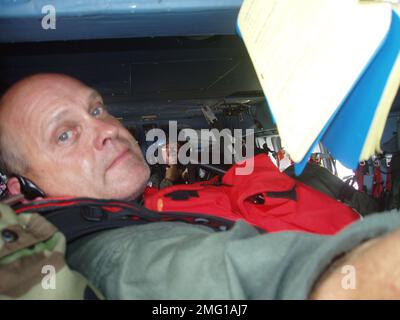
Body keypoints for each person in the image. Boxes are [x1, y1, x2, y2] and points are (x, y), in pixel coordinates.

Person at [0, 73, 400, 299]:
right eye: (64, 136)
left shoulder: (127, 213)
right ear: (23, 188)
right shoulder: (125, 259)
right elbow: (283, 284)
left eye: (96, 109)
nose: (105, 130)